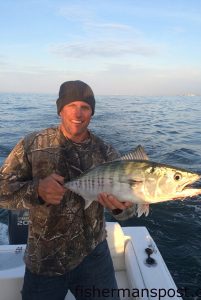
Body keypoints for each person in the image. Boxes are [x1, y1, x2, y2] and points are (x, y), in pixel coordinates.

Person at [0, 80, 136, 300]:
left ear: (92, 112)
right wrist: (36, 191)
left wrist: (121, 209)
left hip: (93, 256)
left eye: (85, 107)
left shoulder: (107, 152)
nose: (78, 113)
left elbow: (130, 211)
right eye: (71, 105)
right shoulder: (32, 144)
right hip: (44, 261)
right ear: (60, 109)